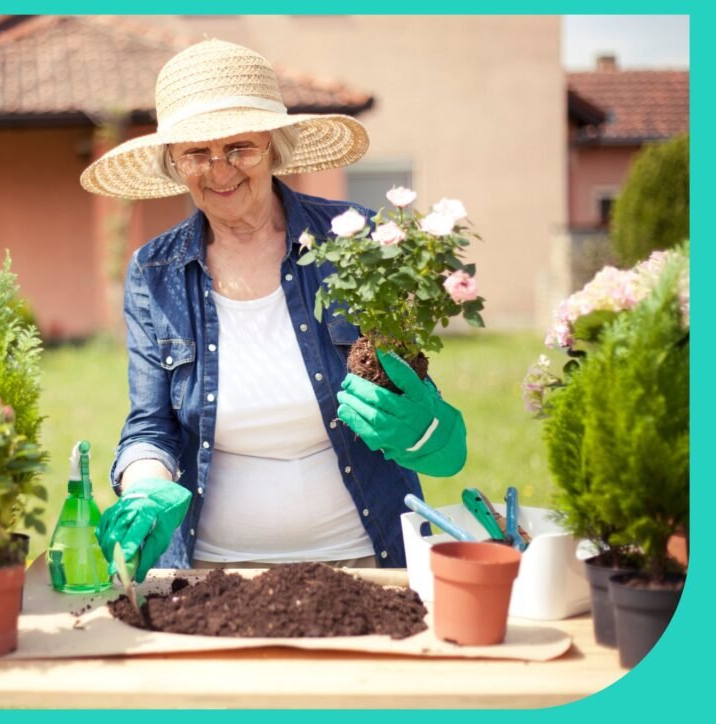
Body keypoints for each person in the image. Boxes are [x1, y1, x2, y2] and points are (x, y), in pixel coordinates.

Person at [80, 40, 466, 582]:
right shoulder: (154, 270)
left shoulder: (352, 242)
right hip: (211, 575)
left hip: (365, 563)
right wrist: (144, 486)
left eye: (240, 147)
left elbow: (409, 384)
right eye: (196, 153)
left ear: (274, 147)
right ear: (174, 164)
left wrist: (428, 431)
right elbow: (151, 423)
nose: (219, 171)